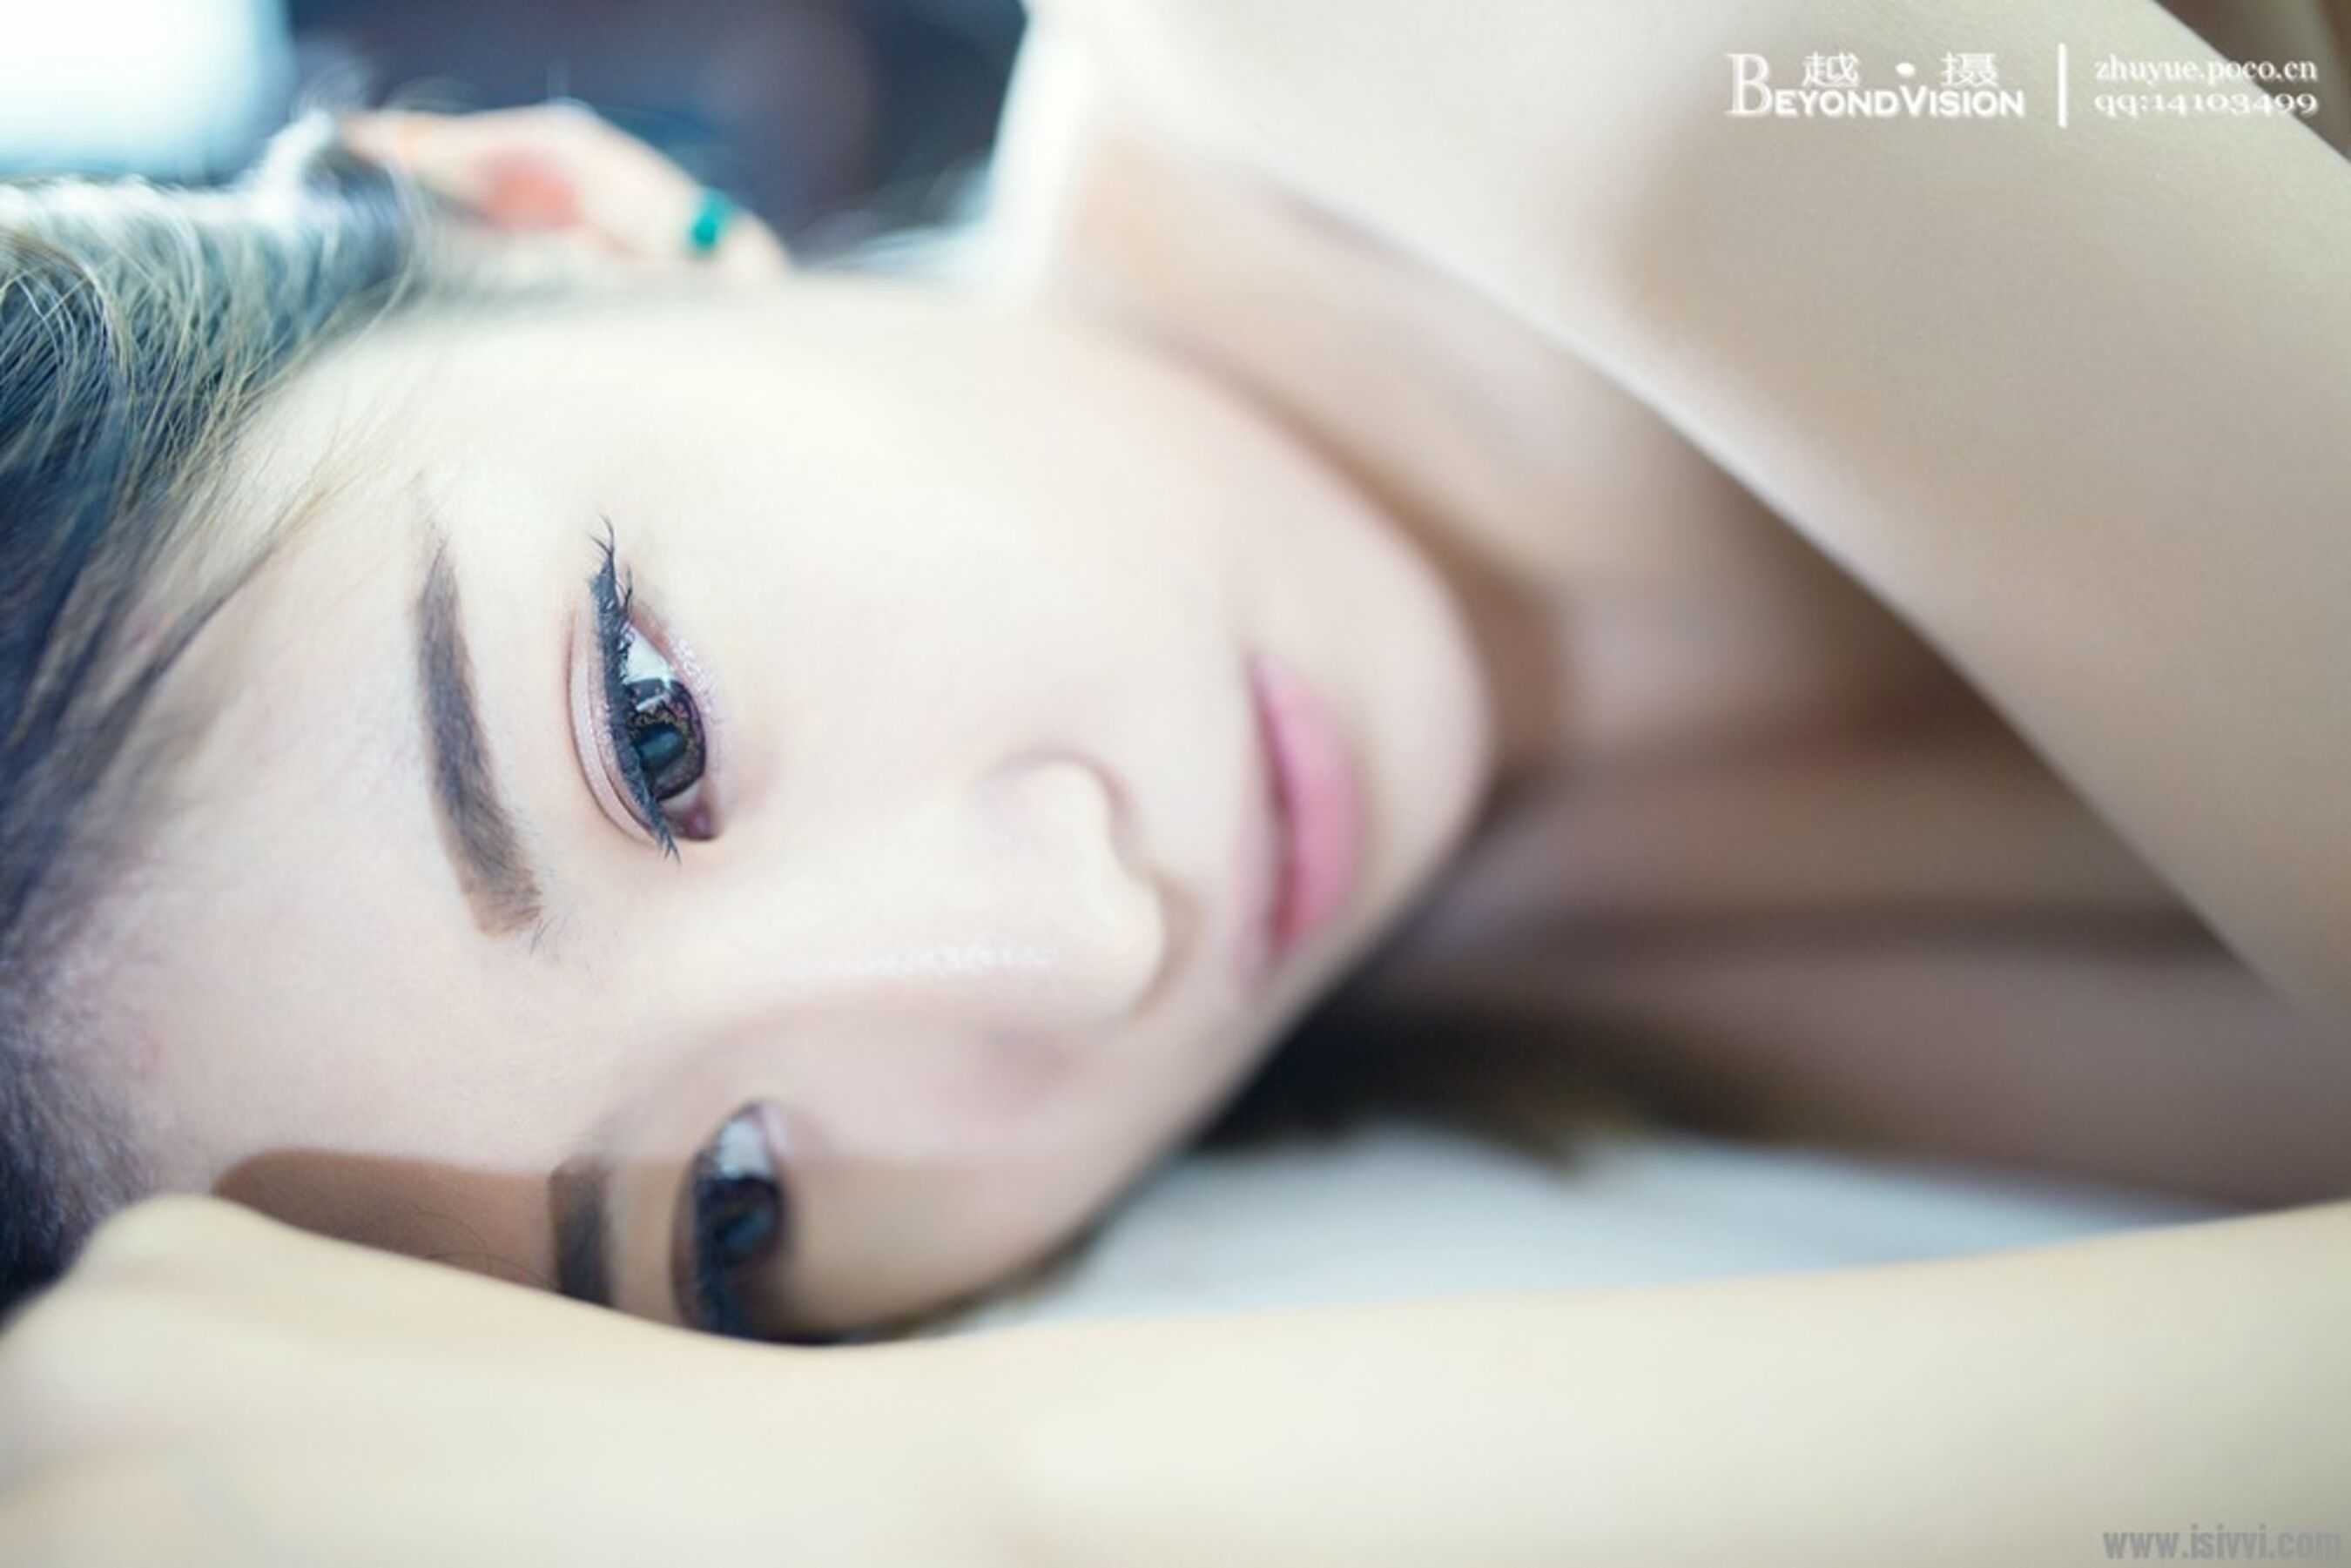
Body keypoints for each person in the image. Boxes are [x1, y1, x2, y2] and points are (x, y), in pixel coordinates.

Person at [3, 0, 2348, 1559]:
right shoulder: (1446, 1092)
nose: (1075, 948)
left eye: (654, 731)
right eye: (731, 1213)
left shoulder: (1462, 43)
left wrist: (946, 1505)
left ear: (562, 218)